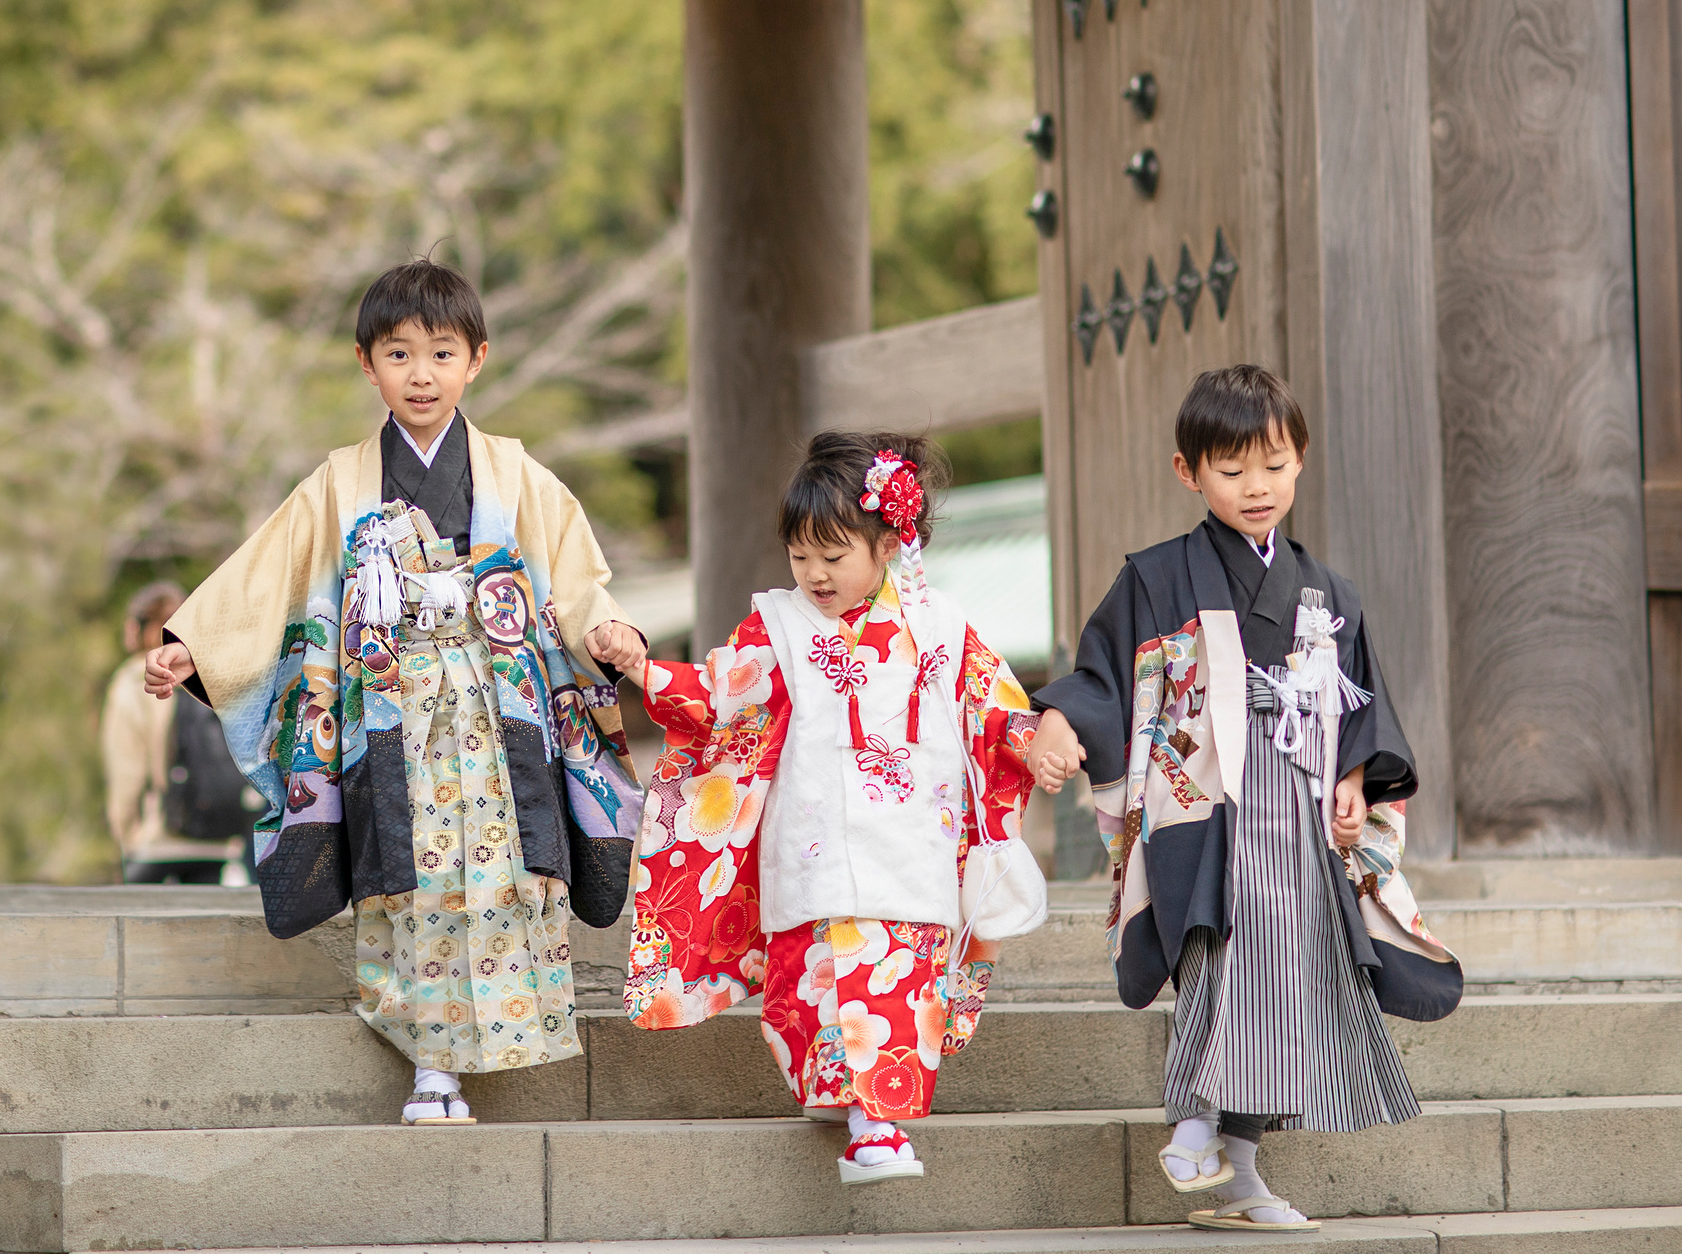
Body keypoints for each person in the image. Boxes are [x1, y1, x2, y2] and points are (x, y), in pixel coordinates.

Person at [143, 258, 648, 1126]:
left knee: (496, 866)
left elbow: (574, 578)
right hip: (387, 706)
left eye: (441, 353)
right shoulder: (338, 479)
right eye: (400, 354)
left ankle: (493, 1034)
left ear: (476, 360)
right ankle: (431, 1063)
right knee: (406, 875)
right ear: (364, 363)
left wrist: (608, 631)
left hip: (498, 707)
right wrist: (196, 644)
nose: (422, 373)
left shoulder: (515, 473)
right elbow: (266, 574)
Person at [1024, 365, 1462, 1232]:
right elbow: (1100, 673)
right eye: (1231, 470)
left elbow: (1359, 700)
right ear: (1189, 472)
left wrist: (1351, 776)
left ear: (1300, 460)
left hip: (1298, 806)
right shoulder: (1155, 576)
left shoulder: (1328, 590)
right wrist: (1057, 720)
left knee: (1289, 977)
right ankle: (1195, 1119)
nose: (1257, 486)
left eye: (1274, 463)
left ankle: (1240, 1177)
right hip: (1208, 806)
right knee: (1217, 951)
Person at [623, 432, 1039, 1185]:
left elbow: (994, 705)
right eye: (800, 554)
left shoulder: (939, 624)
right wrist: (641, 667)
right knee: (815, 982)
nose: (813, 573)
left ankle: (875, 1123)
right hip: (812, 843)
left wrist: (1036, 740)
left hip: (910, 844)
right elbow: (722, 696)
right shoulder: (777, 625)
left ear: (886, 543)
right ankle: (843, 1097)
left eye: (834, 554)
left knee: (888, 981)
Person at [103, 580, 252, 883]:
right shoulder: (211, 673)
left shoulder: (134, 681)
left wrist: (126, 833)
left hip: (157, 841)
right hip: (217, 843)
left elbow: (127, 770)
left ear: (146, 626)